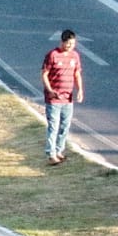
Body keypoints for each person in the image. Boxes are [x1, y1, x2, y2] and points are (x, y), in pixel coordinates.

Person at [41, 29, 84, 166]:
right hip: (54, 99)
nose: (70, 46)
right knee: (53, 126)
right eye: (68, 43)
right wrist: (50, 90)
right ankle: (51, 153)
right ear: (62, 41)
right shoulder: (52, 55)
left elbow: (77, 74)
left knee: (65, 126)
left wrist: (80, 90)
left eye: (72, 43)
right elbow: (44, 74)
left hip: (68, 98)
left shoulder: (75, 56)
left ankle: (60, 151)